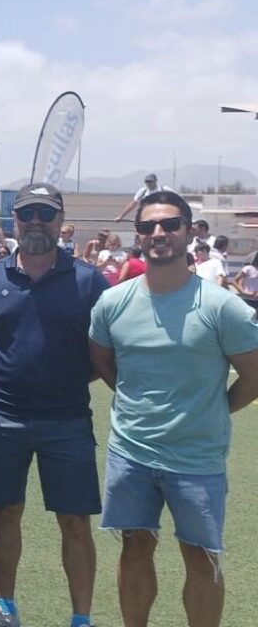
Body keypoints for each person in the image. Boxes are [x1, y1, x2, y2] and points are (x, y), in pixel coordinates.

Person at [89, 190, 258, 627]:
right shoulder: (113, 302)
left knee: (201, 557)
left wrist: (216, 409)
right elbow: (104, 362)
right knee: (135, 547)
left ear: (189, 231)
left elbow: (254, 375)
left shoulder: (222, 306)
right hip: (132, 453)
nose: (158, 233)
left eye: (169, 224)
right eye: (147, 226)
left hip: (197, 458)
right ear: (138, 236)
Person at [0, 183, 107, 627]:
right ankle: (5, 606)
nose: (36, 222)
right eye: (27, 214)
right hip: (2, 417)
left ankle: (81, 617)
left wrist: (61, 381)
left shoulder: (89, 280)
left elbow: (100, 354)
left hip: (67, 419)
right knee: (5, 513)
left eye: (46, 213)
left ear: (61, 220)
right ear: (15, 221)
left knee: (75, 521)